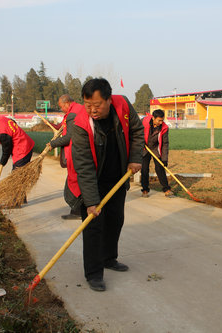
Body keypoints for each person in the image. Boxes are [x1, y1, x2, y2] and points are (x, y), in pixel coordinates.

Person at [68, 78, 144, 291]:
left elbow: (137, 131)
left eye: (97, 105)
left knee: (115, 220)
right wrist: (91, 201)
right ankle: (93, 273)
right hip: (91, 181)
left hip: (117, 176)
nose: (92, 109)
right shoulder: (80, 123)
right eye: (87, 104)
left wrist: (135, 157)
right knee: (93, 226)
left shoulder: (123, 105)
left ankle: (109, 258)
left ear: (109, 100)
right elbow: (83, 166)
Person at [0, 114, 35, 202]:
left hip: (22, 148)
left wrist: (3, 161)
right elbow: (12, 122)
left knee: (16, 177)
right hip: (27, 143)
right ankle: (22, 198)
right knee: (20, 175)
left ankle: (16, 201)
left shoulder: (3, 132)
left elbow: (6, 149)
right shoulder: (2, 118)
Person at [46, 94, 83, 220]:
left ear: (67, 103)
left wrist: (53, 144)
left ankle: (77, 211)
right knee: (77, 181)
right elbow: (64, 128)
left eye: (61, 107)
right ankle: (78, 211)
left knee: (74, 183)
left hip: (77, 152)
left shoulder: (74, 114)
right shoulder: (75, 110)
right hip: (79, 152)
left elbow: (70, 136)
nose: (61, 109)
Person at [141, 109, 173, 198]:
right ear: (153, 118)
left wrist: (164, 159)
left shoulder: (164, 128)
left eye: (162, 120)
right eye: (159, 120)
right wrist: (140, 141)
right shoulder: (144, 121)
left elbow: (165, 144)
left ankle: (166, 189)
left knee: (160, 168)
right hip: (144, 147)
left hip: (155, 148)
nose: (161, 122)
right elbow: (136, 131)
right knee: (144, 169)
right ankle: (145, 190)